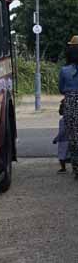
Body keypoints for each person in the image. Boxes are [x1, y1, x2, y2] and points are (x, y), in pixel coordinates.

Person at [59, 36, 78, 178]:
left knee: (73, 137)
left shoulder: (64, 70)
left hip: (71, 103)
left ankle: (77, 169)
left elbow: (61, 89)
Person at [53, 100, 68, 173]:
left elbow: (62, 132)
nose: (59, 110)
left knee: (61, 155)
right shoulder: (71, 119)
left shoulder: (62, 120)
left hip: (63, 140)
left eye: (61, 108)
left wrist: (56, 139)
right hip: (70, 139)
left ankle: (63, 168)